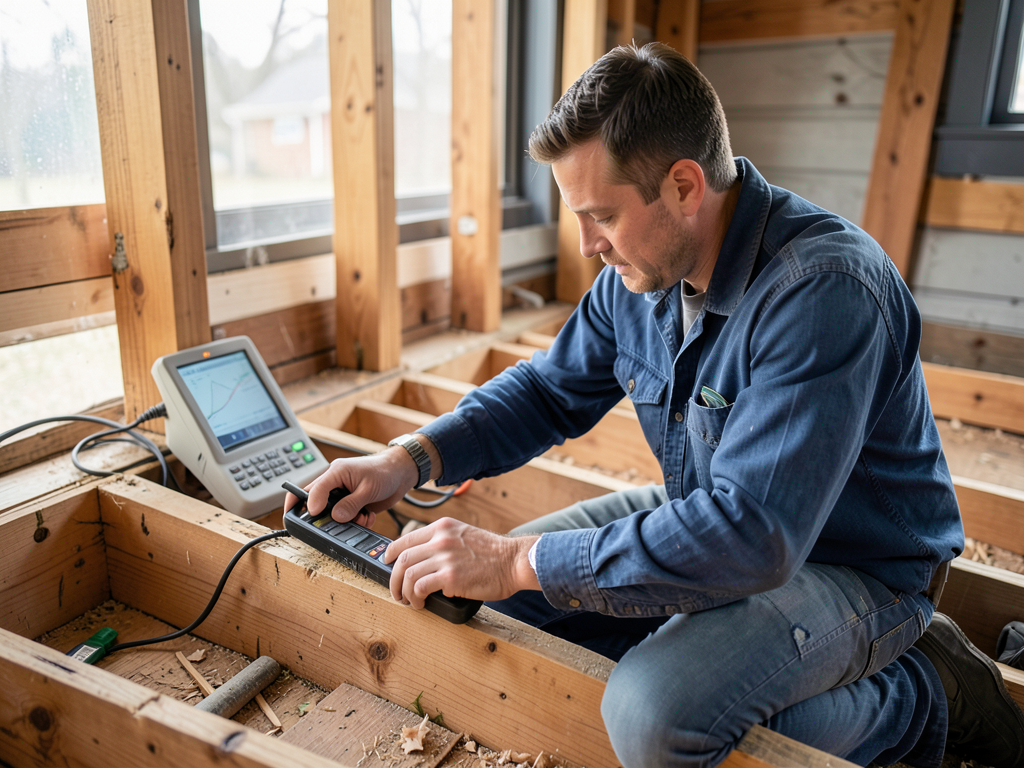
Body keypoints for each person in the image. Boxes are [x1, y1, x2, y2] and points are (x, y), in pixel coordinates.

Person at [287, 43, 1024, 768]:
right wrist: (407, 460)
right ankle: (715, 649)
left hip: (850, 566)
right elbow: (549, 390)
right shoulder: (639, 272)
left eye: (599, 215)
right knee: (503, 609)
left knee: (654, 717)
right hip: (715, 513)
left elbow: (754, 536)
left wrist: (516, 558)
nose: (585, 246)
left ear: (682, 186)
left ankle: (928, 690)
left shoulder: (824, 291)